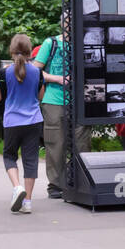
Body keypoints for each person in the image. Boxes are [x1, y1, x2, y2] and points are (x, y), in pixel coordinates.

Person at [0, 34, 47, 213]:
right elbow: (40, 96)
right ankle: (28, 202)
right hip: (34, 121)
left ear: (11, 50)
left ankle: (17, 187)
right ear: (30, 51)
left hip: (12, 122)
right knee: (31, 160)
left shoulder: (4, 73)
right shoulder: (37, 72)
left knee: (9, 156)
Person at [37, 13, 89, 199]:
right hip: (54, 100)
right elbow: (35, 70)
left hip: (80, 101)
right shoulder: (51, 43)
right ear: (63, 23)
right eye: (69, 21)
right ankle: (56, 185)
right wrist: (57, 78)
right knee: (55, 144)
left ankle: (81, 181)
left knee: (82, 143)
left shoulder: (84, 42)